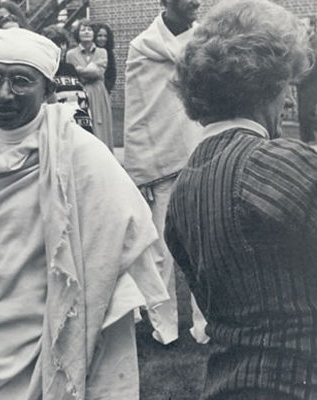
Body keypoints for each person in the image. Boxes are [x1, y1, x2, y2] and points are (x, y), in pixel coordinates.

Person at [0, 27, 169, 400]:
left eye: (20, 81)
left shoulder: (80, 155)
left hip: (56, 328)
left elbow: (120, 238)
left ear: (47, 91)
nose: (3, 93)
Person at [166, 1, 315, 398]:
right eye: (286, 85)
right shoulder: (283, 164)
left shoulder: (184, 189)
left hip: (225, 384)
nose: (289, 102)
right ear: (261, 86)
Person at [123, 0, 208, 345]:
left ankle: (206, 326)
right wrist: (140, 169)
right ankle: (164, 326)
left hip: (202, 152)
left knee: (204, 245)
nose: (195, 2)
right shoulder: (141, 47)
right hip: (160, 161)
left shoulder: (207, 43)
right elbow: (139, 112)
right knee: (162, 252)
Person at [66, 19, 114, 150]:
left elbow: (98, 73)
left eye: (89, 29)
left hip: (98, 94)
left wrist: (80, 70)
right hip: (79, 94)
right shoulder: (70, 54)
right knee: (81, 128)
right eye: (83, 29)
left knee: (100, 127)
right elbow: (73, 76)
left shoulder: (102, 52)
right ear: (78, 33)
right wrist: (88, 71)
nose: (86, 32)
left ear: (94, 33)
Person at [42, 24, 92, 132]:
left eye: (63, 44)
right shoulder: (45, 71)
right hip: (57, 125)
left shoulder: (70, 68)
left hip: (79, 120)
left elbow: (81, 94)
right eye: (56, 44)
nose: (62, 48)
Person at [297, 16, 317, 144]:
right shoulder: (301, 41)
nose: (301, 27)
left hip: (311, 80)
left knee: (307, 113)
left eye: (303, 25)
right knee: (304, 113)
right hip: (305, 82)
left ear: (311, 26)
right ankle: (307, 141)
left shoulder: (313, 41)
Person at [92, 22, 116, 94]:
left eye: (105, 36)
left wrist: (107, 88)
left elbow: (112, 73)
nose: (103, 38)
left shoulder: (109, 53)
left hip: (104, 90)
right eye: (99, 36)